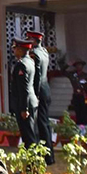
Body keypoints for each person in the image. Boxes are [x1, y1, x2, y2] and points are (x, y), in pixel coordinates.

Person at [24, 30, 55, 165]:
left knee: (39, 125)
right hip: (46, 88)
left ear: (34, 41)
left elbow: (35, 76)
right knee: (45, 123)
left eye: (29, 39)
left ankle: (45, 156)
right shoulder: (44, 51)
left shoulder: (34, 54)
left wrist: (34, 94)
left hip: (38, 90)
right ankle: (49, 156)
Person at [8, 38, 39, 147]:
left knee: (28, 136)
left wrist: (24, 108)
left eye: (15, 48)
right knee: (32, 133)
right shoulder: (30, 61)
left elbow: (23, 88)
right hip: (32, 100)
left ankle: (33, 162)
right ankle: (34, 160)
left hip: (24, 104)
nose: (14, 51)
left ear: (21, 50)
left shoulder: (21, 65)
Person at [68, 60, 87, 125]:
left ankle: (86, 124)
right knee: (77, 111)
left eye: (80, 65)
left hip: (83, 95)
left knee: (84, 111)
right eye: (77, 65)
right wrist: (68, 65)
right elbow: (63, 71)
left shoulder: (86, 76)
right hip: (76, 95)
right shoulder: (73, 75)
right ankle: (78, 124)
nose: (79, 66)